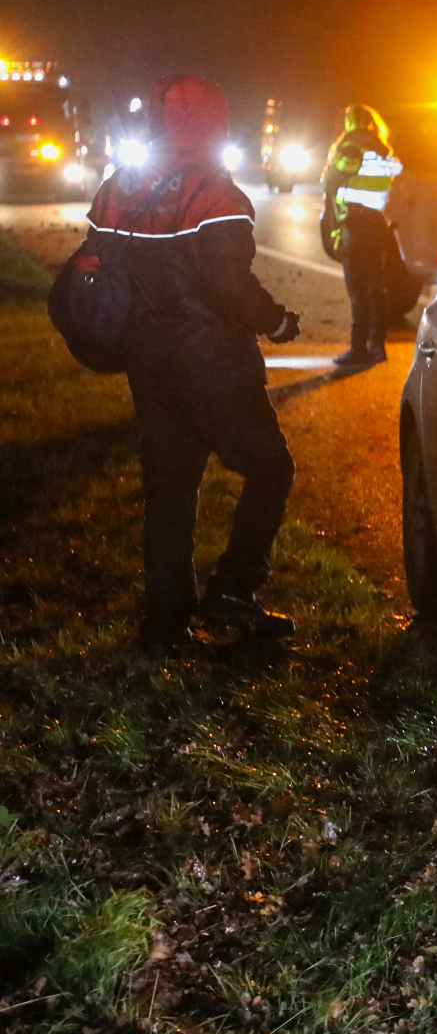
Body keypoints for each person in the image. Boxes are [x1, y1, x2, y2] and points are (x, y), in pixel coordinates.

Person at [92, 74, 302, 653]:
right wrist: (277, 320)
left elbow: (98, 261)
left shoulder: (120, 187)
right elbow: (227, 281)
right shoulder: (217, 194)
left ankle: (165, 627)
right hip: (213, 362)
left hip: (147, 361)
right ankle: (234, 589)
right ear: (215, 122)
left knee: (170, 491)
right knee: (271, 468)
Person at [321, 104, 404, 367]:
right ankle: (377, 346)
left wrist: (330, 169)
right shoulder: (385, 153)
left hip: (355, 226)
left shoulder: (350, 147)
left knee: (358, 291)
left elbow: (328, 182)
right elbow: (397, 175)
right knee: (376, 289)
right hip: (378, 225)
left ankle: (358, 348)